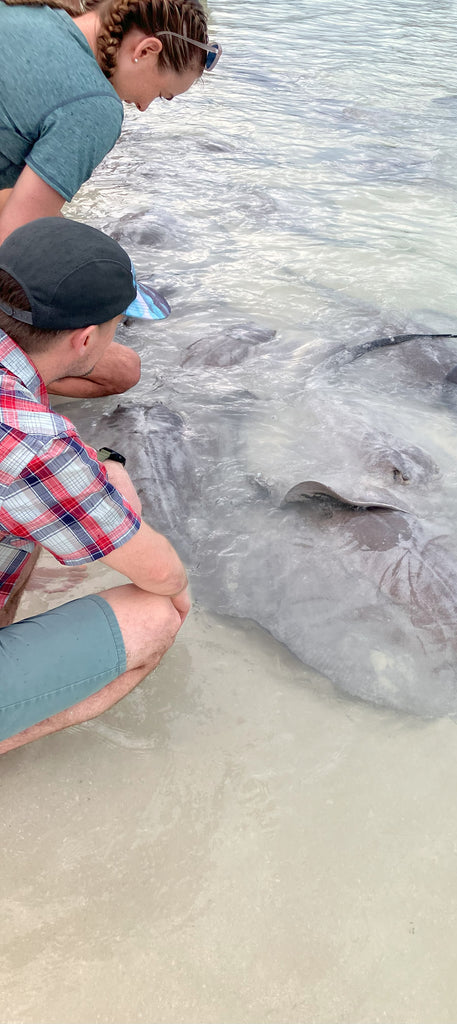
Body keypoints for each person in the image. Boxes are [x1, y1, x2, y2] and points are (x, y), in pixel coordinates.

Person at [0, 216, 190, 755]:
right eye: (115, 326)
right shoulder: (33, 444)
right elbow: (161, 575)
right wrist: (108, 477)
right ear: (86, 338)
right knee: (155, 616)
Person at [0, 0, 222, 397]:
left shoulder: (32, 13)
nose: (142, 105)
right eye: (160, 93)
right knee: (121, 369)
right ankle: (15, 398)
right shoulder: (95, 107)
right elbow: (16, 240)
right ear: (146, 50)